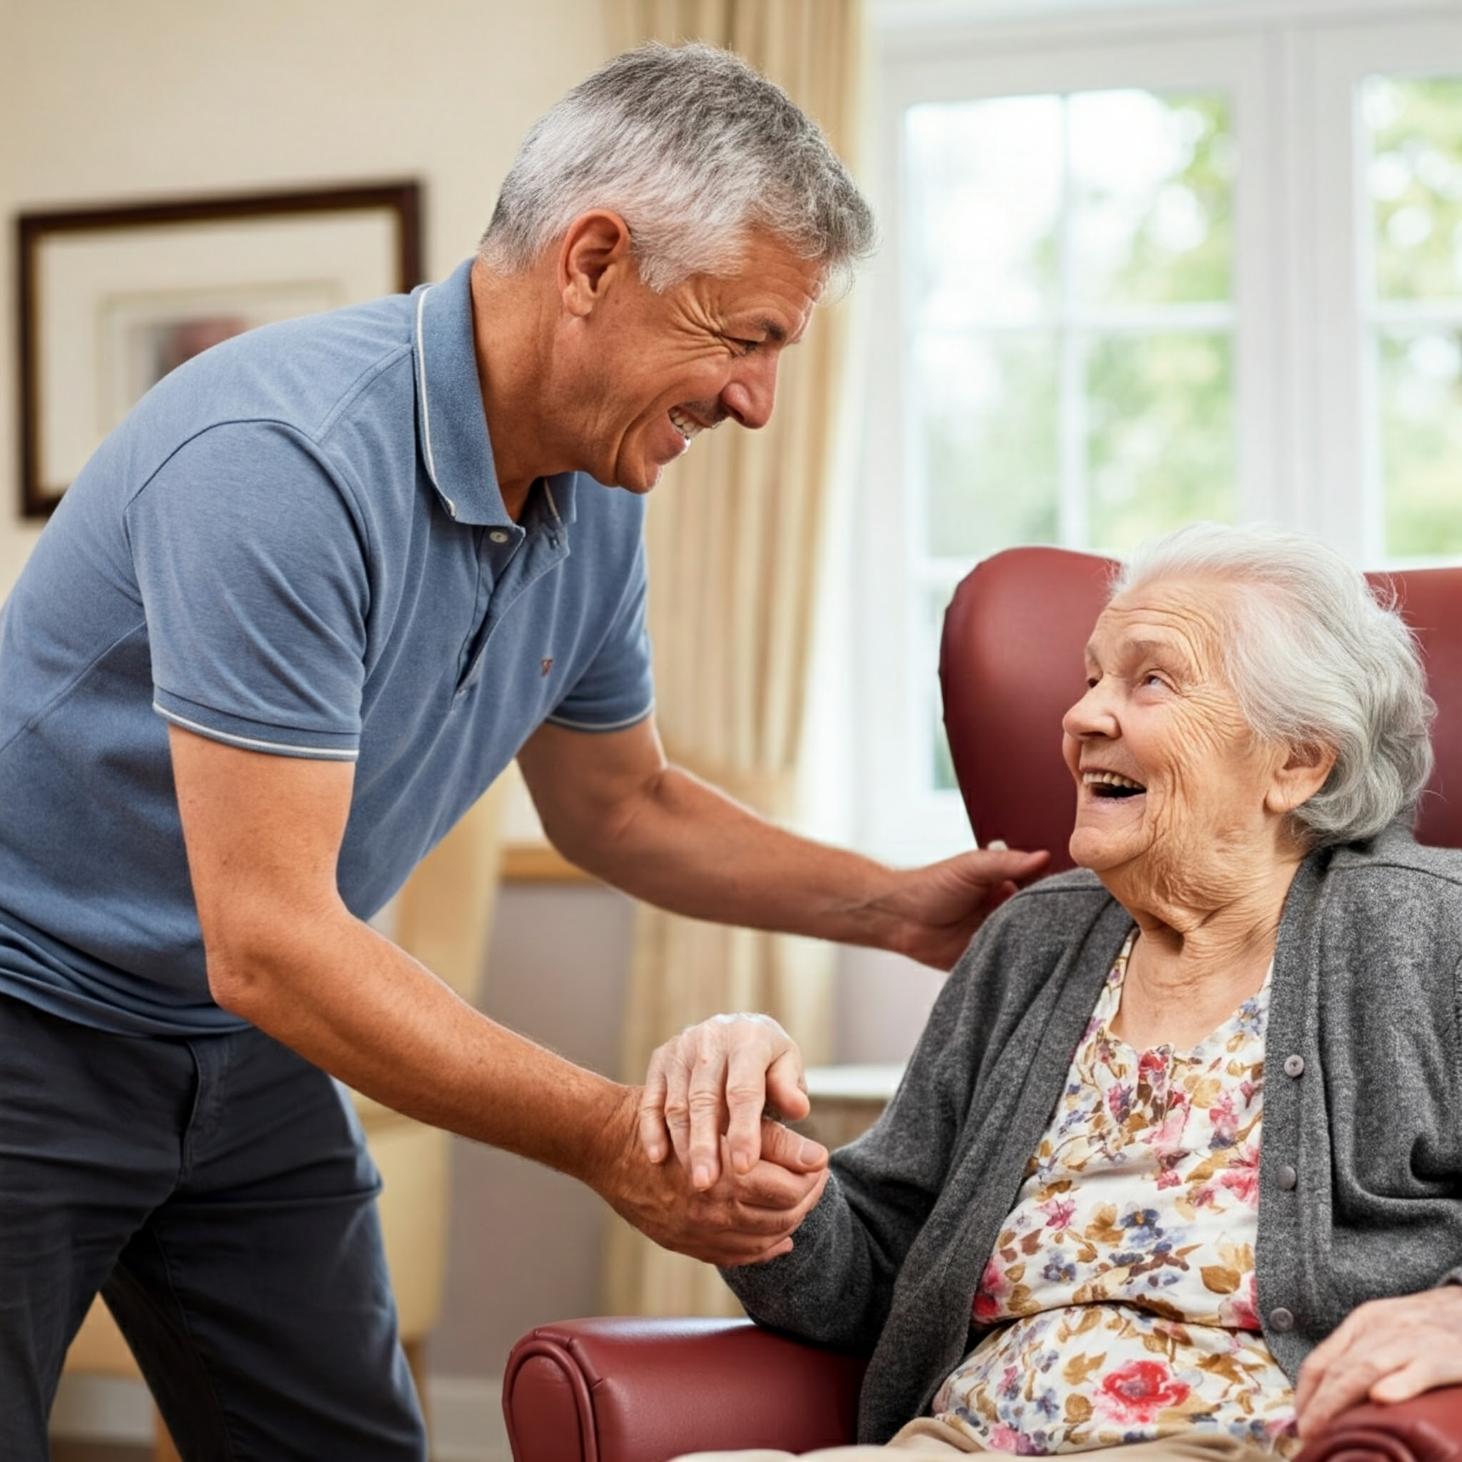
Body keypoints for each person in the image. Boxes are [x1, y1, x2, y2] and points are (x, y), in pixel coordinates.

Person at [0, 42, 1046, 1462]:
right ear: (593, 260)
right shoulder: (282, 458)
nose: (755, 401)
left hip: (240, 1047)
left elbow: (620, 804)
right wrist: (611, 1135)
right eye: (742, 337)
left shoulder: (593, 489)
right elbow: (271, 936)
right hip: (31, 1012)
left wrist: (894, 906)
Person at [648, 524, 1462, 1460]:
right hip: (954, 1442)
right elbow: (879, 1268)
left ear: (1296, 762)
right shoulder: (1034, 937)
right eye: (1090, 679)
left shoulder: (1427, 931)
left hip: (1231, 1437)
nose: (1081, 718)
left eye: (1150, 681)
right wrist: (759, 1181)